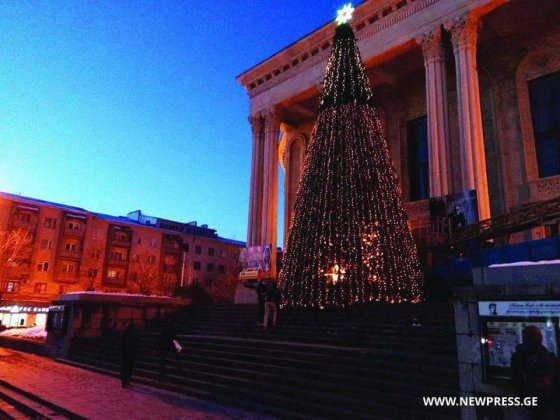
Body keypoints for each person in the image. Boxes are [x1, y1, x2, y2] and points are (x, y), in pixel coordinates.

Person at [510, 326, 557, 419]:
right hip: (543, 403)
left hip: (529, 402)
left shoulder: (518, 357)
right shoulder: (548, 357)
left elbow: (516, 381)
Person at [119, 321, 140, 388]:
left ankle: (125, 381)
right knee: (127, 368)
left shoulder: (124, 334)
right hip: (129, 353)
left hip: (127, 353)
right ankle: (126, 381)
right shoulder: (133, 334)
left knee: (126, 368)